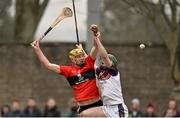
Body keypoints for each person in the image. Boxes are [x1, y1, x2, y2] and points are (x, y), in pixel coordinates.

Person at [31, 24, 102, 114]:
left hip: (97, 103)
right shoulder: (68, 70)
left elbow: (95, 47)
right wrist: (37, 49)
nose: (82, 58)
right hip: (83, 106)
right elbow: (48, 65)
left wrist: (95, 33)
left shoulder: (89, 62)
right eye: (78, 57)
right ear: (73, 59)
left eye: (82, 56)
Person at [79, 25, 128, 117]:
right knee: (83, 114)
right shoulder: (100, 71)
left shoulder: (113, 71)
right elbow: (89, 62)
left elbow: (104, 56)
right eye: (102, 61)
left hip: (117, 108)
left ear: (112, 63)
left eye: (107, 61)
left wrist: (97, 40)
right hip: (106, 107)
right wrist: (81, 51)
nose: (103, 61)